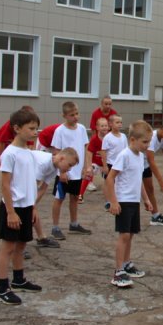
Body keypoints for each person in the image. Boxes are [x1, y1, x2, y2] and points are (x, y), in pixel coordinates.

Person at [0, 109, 43, 305]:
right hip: (12, 209)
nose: (35, 132)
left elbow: (29, 182)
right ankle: (2, 288)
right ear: (16, 128)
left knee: (22, 245)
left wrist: (32, 207)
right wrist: (11, 212)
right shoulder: (9, 153)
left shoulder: (29, 153)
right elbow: (5, 184)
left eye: (37, 128)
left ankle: (18, 279)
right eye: (31, 128)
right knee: (8, 247)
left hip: (26, 206)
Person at [105, 120, 154, 288]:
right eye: (145, 142)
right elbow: (110, 178)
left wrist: (146, 199)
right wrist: (113, 201)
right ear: (132, 140)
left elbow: (138, 180)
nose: (147, 145)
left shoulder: (140, 157)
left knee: (131, 234)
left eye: (149, 141)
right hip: (123, 201)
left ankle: (126, 263)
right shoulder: (124, 155)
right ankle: (118, 271)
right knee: (124, 235)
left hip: (134, 201)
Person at [50, 101, 91, 239]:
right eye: (72, 115)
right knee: (59, 198)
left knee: (74, 198)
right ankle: (55, 227)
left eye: (77, 113)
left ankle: (73, 223)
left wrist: (86, 167)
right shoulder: (60, 131)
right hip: (64, 172)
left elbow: (85, 148)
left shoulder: (82, 129)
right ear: (64, 116)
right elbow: (56, 152)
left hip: (77, 172)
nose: (75, 117)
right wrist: (61, 172)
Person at [30, 148, 79, 250]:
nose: (69, 169)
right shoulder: (43, 163)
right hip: (19, 177)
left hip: (29, 182)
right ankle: (18, 244)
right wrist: (31, 205)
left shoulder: (54, 167)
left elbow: (43, 188)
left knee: (31, 209)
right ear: (61, 158)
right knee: (23, 210)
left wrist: (33, 204)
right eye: (69, 165)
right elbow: (33, 186)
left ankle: (41, 237)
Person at [0, 105, 34, 209]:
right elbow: (1, 142)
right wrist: (0, 160)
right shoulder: (10, 125)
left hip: (12, 147)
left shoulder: (28, 129)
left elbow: (30, 144)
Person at [79, 117, 109, 201]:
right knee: (88, 174)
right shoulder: (94, 139)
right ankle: (80, 195)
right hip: (96, 163)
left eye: (106, 125)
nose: (104, 127)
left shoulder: (110, 138)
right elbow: (89, 153)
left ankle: (110, 197)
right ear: (97, 127)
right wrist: (88, 166)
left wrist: (105, 165)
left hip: (106, 163)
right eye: (102, 126)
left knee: (110, 179)